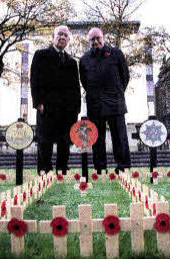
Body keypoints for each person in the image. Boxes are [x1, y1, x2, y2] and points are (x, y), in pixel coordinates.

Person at [79, 27, 131, 174]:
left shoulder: (116, 53)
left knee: (120, 137)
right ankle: (100, 168)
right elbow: (84, 81)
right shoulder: (84, 60)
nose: (96, 41)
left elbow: (125, 76)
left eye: (98, 38)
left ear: (103, 37)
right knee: (97, 138)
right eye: (92, 39)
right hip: (95, 104)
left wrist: (117, 92)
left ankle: (123, 166)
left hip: (115, 102)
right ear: (89, 41)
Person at [30, 25, 81, 175]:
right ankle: (45, 170)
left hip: (67, 110)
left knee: (64, 141)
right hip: (47, 107)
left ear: (68, 40)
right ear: (53, 37)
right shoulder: (41, 55)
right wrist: (38, 103)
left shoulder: (72, 62)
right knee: (45, 141)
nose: (62, 37)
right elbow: (34, 80)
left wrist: (76, 109)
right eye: (60, 34)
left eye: (66, 35)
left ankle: (62, 169)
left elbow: (76, 87)